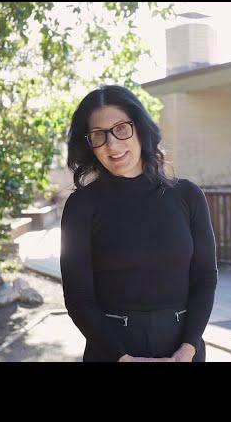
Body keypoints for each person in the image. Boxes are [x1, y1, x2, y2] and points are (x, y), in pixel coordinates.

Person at [61, 85, 217, 362]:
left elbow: (205, 278)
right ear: (90, 145)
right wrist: (123, 358)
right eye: (99, 135)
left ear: (140, 129)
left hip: (183, 348)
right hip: (111, 349)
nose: (112, 144)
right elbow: (78, 298)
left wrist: (189, 347)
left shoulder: (188, 195)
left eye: (121, 128)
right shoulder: (81, 206)